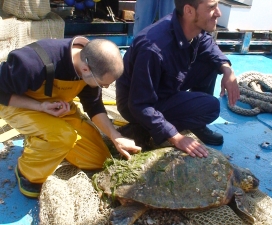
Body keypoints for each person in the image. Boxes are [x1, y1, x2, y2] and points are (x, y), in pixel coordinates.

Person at [0, 36, 141, 198]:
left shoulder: (90, 62)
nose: (106, 88)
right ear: (86, 69)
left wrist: (115, 136)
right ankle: (26, 172)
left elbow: (93, 105)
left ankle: (44, 143)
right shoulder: (30, 63)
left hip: (57, 106)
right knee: (62, 136)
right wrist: (40, 106)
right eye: (103, 84)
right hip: (17, 105)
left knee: (99, 159)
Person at [116, 0, 240, 158]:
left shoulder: (188, 25)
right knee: (211, 107)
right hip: (135, 104)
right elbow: (139, 104)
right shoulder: (153, 49)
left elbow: (207, 43)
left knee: (211, 61)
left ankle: (195, 124)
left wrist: (226, 68)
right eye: (211, 8)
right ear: (189, 11)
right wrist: (175, 137)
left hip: (165, 84)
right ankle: (143, 128)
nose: (218, 13)